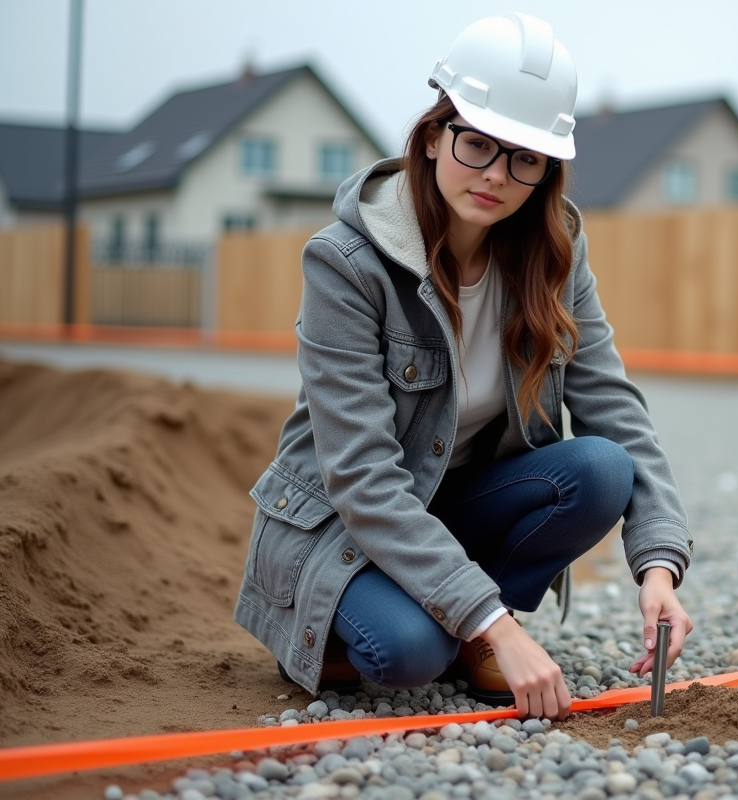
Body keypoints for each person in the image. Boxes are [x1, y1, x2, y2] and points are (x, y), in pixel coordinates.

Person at [234, 12, 693, 721]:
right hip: (346, 522)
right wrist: (499, 626)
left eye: (525, 158)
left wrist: (659, 567)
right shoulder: (345, 262)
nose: (496, 176)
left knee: (602, 469)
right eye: (477, 144)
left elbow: (614, 406)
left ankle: (472, 620)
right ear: (432, 134)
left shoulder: (555, 254)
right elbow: (360, 475)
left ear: (546, 171)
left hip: (449, 505)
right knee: (408, 656)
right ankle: (405, 621)